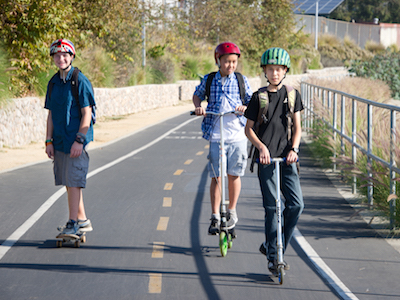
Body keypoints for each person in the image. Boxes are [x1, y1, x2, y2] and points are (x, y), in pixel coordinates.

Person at [244, 47, 304, 276]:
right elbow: (248, 130)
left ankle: (273, 244)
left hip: (288, 159)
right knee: (272, 207)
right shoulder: (258, 97)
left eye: (279, 69)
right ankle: (273, 257)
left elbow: (297, 128)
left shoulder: (292, 95)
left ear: (285, 71)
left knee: (296, 205)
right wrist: (261, 148)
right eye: (271, 69)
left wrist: (295, 149)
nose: (275, 73)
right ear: (265, 71)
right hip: (266, 160)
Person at [193, 42, 252, 235]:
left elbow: (250, 100)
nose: (231, 65)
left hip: (237, 134)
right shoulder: (210, 79)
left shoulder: (241, 81)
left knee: (234, 174)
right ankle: (215, 214)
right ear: (218, 60)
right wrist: (199, 106)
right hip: (217, 134)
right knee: (216, 176)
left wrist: (246, 107)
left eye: (234, 62)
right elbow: (197, 95)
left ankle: (232, 210)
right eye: (227, 61)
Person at [45, 39, 95, 235]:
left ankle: (73, 222)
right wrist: (48, 140)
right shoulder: (53, 82)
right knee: (68, 181)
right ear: (53, 58)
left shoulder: (79, 80)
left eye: (65, 55)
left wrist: (79, 140)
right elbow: (51, 114)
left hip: (75, 141)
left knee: (74, 180)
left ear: (72, 56)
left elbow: (87, 113)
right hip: (59, 140)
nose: (61, 58)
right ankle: (82, 220)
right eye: (57, 55)